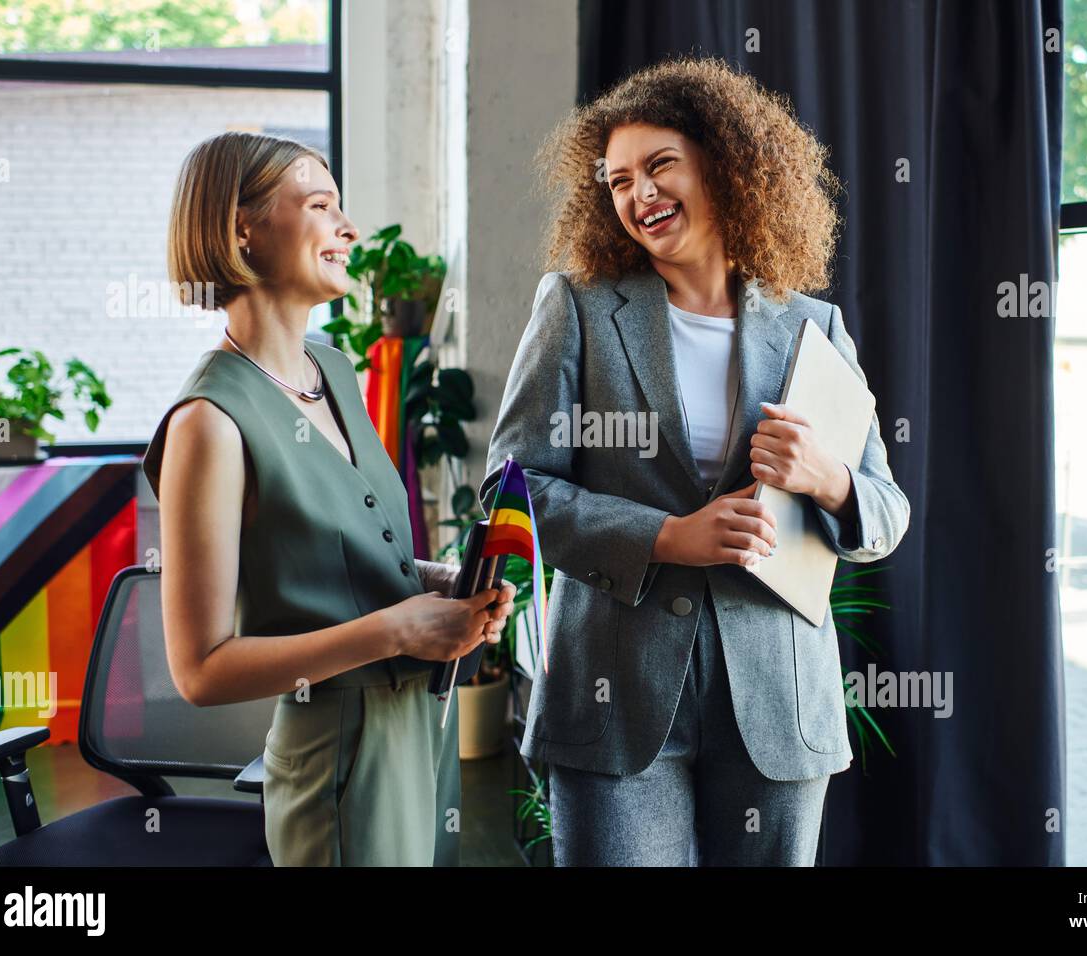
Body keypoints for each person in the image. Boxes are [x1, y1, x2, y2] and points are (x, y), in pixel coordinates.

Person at [481, 57, 910, 866]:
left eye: (659, 166)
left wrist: (830, 478)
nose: (638, 193)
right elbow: (510, 491)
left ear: (724, 161)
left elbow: (886, 513)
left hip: (778, 707)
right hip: (615, 704)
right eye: (617, 181)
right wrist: (667, 537)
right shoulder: (577, 305)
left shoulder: (814, 327)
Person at [142, 132, 515, 866]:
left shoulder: (336, 372)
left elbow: (327, 550)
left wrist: (433, 582)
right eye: (320, 206)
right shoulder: (208, 424)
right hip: (338, 757)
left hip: (419, 726)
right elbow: (200, 670)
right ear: (241, 228)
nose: (349, 229)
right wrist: (397, 630)